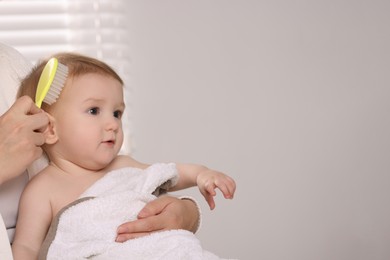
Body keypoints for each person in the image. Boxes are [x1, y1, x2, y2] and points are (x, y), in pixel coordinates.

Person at [12, 52, 236, 259]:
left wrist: (202, 175)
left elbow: (172, 172)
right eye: (94, 111)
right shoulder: (43, 189)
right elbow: (26, 246)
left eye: (117, 113)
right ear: (50, 129)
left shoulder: (123, 165)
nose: (113, 124)